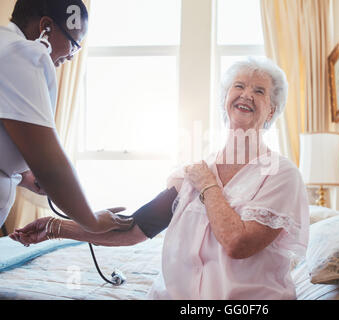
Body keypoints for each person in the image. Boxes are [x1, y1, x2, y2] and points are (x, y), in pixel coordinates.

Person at [10, 57, 310, 300]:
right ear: (225, 100)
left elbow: (237, 243)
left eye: (259, 91)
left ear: (272, 109)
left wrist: (208, 184)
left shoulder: (282, 175)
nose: (246, 94)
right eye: (239, 86)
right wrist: (55, 227)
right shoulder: (191, 172)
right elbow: (135, 229)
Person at [0, 0, 133, 233]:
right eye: (74, 43)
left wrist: (22, 178)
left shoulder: (6, 45)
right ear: (46, 28)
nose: (72, 56)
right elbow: (48, 163)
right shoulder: (21, 54)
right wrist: (92, 221)